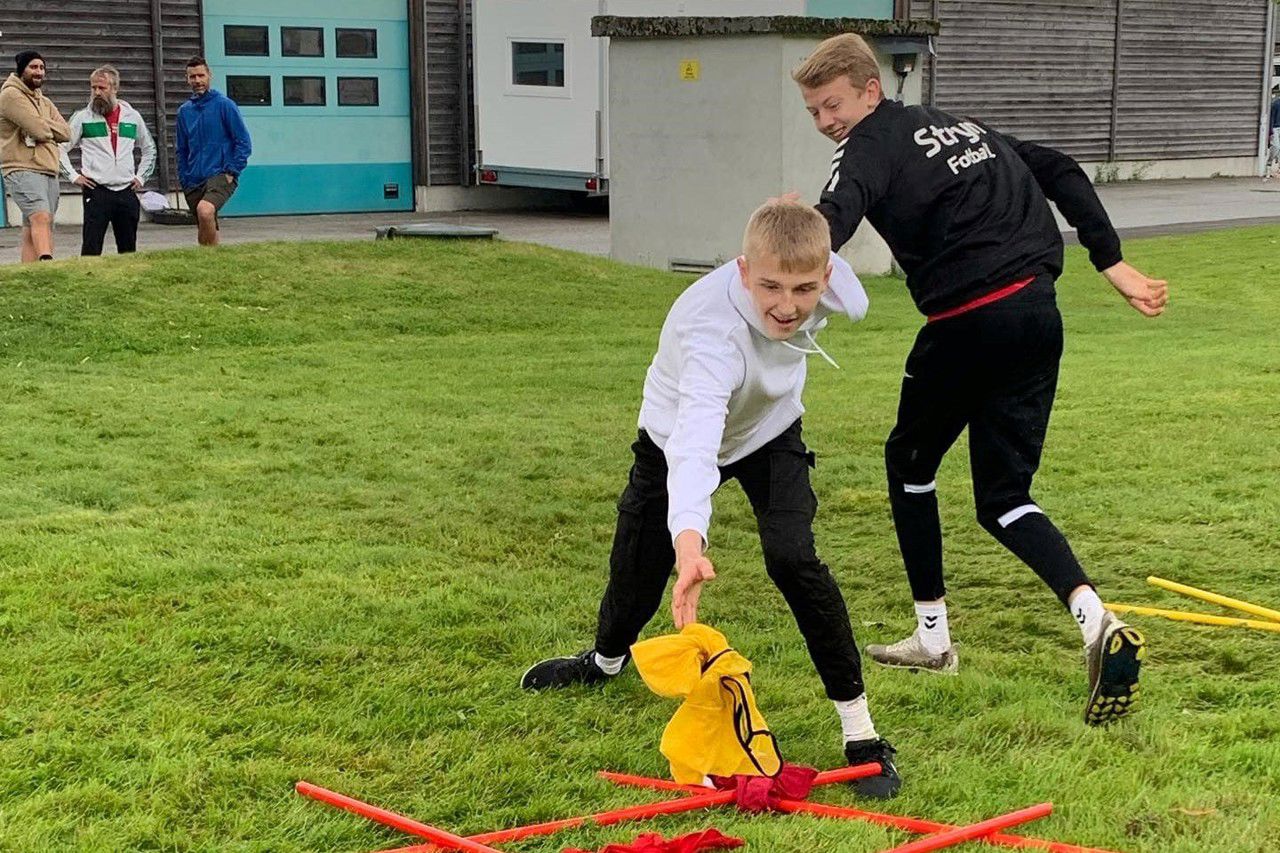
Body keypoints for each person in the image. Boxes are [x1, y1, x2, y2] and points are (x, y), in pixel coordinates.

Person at [790, 34, 1168, 726]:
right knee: (1003, 497)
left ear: (869, 92)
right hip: (1037, 316)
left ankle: (934, 639)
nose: (825, 123)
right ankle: (1095, 620)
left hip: (968, 322)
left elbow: (833, 219)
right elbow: (1060, 168)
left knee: (908, 462)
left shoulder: (869, 142)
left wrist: (789, 243)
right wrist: (1111, 263)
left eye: (831, 105)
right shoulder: (961, 127)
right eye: (813, 112)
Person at [521, 200, 903, 799]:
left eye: (804, 289)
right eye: (770, 286)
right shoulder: (709, 332)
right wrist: (690, 545)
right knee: (637, 565)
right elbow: (694, 447)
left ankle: (862, 735)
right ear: (743, 269)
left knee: (794, 559)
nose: (785, 305)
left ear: (827, 276)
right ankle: (604, 662)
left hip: (770, 432)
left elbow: (849, 296)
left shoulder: (834, 287)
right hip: (674, 433)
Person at [58, 65, 156, 256]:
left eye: (102, 88)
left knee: (128, 250)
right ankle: (89, 280)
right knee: (91, 248)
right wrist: (73, 176)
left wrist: (141, 177)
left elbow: (149, 148)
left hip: (126, 191)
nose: (96, 93)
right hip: (96, 191)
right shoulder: (82, 118)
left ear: (114, 89)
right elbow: (59, 147)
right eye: (93, 88)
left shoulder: (132, 117)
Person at [0, 50, 70, 262]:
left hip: (48, 168)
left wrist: (40, 123)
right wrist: (45, 128)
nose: (38, 72)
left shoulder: (44, 101)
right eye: (33, 67)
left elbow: (66, 133)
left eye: (41, 68)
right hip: (22, 166)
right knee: (40, 216)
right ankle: (47, 264)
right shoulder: (10, 95)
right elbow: (39, 131)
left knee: (37, 224)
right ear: (22, 70)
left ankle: (30, 273)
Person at [175, 56, 251, 246]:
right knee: (205, 225)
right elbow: (181, 149)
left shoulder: (225, 105)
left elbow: (243, 142)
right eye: (192, 77)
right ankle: (212, 264)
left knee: (205, 210)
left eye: (201, 75)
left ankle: (209, 259)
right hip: (193, 178)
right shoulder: (184, 111)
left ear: (209, 75)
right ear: (187, 79)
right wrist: (184, 176)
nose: (197, 81)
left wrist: (231, 171)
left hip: (219, 173)